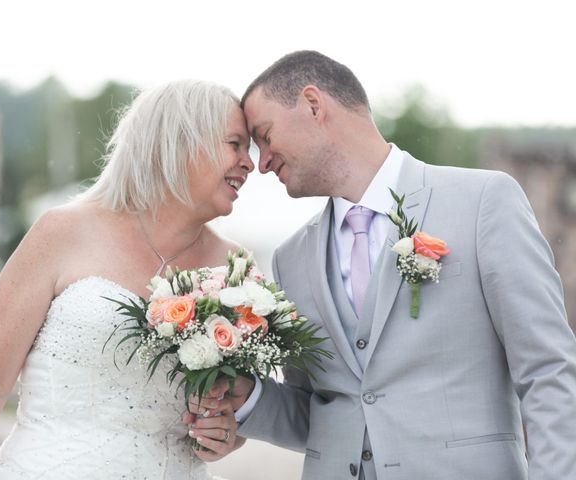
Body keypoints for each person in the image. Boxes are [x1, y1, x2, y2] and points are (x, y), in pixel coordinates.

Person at [187, 51, 576, 479]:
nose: (262, 163)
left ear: (314, 105)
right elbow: (319, 410)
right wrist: (247, 398)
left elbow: (549, 370)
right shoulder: (292, 257)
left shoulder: (483, 202)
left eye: (265, 136)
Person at [0, 80, 254, 480]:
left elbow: (231, 406)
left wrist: (224, 435)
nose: (250, 162)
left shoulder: (235, 268)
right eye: (235, 144)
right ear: (181, 141)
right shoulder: (61, 232)